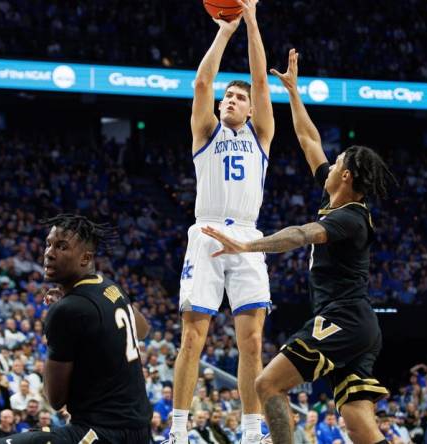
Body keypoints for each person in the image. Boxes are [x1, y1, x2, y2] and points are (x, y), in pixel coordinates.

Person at [203, 49, 394, 444]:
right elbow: (309, 139)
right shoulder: (335, 197)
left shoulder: (352, 217)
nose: (329, 161)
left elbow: (302, 234)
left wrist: (249, 245)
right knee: (360, 425)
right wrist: (293, 92)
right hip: (360, 325)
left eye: (337, 159)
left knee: (268, 384)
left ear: (345, 175)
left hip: (343, 319)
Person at [170, 0, 275, 443]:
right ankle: (178, 430)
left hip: (249, 237)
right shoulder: (205, 132)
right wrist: (225, 31)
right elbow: (201, 81)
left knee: (251, 342)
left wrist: (251, 20)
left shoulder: (261, 133)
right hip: (207, 232)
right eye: (226, 97)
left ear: (250, 110)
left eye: (238, 98)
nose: (230, 100)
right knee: (193, 338)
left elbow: (259, 78)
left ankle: (250, 432)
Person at [0, 214, 152, 443]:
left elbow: (55, 399)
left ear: (85, 258)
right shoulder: (109, 286)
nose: (49, 253)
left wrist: (60, 323)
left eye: (61, 247)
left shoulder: (68, 310)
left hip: (103, 433)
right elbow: (143, 329)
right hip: (139, 430)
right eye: (48, 244)